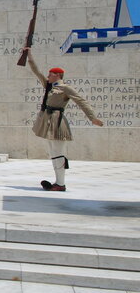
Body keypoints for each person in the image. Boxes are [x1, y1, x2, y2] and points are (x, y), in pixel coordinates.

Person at [23, 47, 103, 191]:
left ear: (58, 75)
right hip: (47, 120)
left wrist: (92, 118)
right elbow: (36, 71)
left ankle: (60, 184)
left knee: (59, 151)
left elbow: (81, 101)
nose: (48, 76)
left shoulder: (65, 88)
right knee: (53, 151)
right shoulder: (48, 86)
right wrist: (29, 55)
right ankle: (57, 182)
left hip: (57, 121)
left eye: (51, 74)